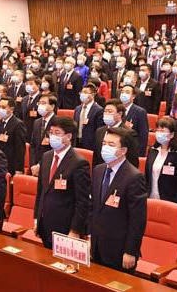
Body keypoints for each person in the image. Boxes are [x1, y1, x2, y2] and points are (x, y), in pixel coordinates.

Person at [90, 127, 148, 272]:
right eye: (104, 143)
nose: (105, 148)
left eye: (111, 145)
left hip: (119, 249)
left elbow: (137, 220)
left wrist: (130, 251)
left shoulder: (134, 177)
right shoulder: (98, 170)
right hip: (97, 246)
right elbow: (94, 208)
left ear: (123, 150)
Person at [34, 116, 91, 248]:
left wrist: (75, 230)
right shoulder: (46, 157)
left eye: (57, 133)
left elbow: (82, 202)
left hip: (65, 227)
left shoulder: (79, 163)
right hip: (45, 224)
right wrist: (36, 218)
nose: (52, 136)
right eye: (51, 132)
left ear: (68, 136)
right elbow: (41, 191)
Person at [146, 117, 177, 205]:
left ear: (172, 134)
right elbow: (147, 176)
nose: (159, 133)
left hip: (170, 201)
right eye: (158, 130)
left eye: (162, 131)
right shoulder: (152, 150)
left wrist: (176, 203)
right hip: (150, 197)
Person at [0, 96, 27, 175]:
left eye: (3, 107)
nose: (0, 109)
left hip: (11, 164)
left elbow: (20, 149)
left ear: (11, 109)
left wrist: (18, 169)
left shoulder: (18, 124)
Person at [29, 94, 58, 175]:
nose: (40, 106)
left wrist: (40, 165)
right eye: (40, 103)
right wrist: (33, 164)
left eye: (44, 103)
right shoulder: (37, 122)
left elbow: (55, 149)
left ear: (52, 106)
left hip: (49, 164)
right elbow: (33, 145)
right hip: (35, 166)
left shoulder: (58, 123)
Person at [120, 84, 149, 156]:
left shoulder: (140, 112)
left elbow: (143, 136)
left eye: (127, 92)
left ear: (133, 96)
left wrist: (140, 155)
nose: (124, 94)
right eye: (122, 92)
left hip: (132, 150)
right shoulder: (117, 109)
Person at [74, 84, 104, 151]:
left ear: (93, 95)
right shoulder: (77, 108)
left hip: (90, 144)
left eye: (85, 92)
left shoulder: (98, 110)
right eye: (81, 92)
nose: (82, 94)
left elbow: (99, 130)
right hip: (77, 142)